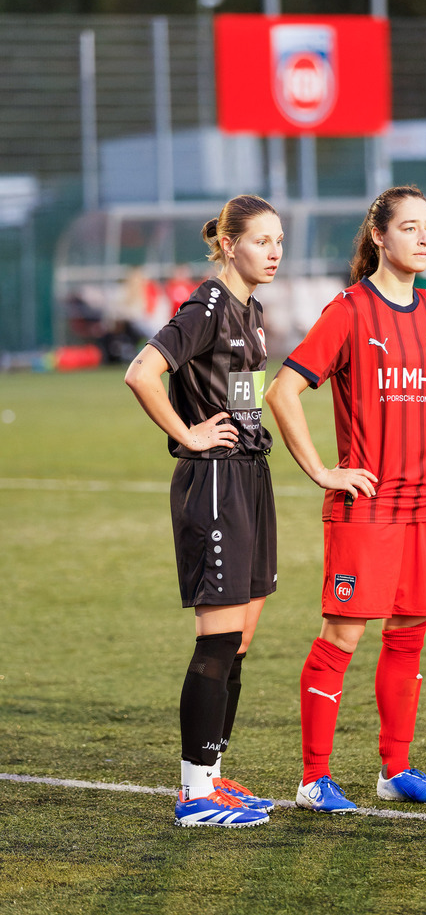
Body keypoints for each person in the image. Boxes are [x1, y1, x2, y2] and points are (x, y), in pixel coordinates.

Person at [265, 185, 426, 813]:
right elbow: (282, 391)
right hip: (369, 505)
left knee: (408, 631)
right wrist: (321, 471)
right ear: (379, 236)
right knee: (343, 633)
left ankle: (396, 768)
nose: (424, 237)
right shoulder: (349, 311)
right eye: (410, 227)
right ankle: (313, 779)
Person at [124, 195, 284, 828]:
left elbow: (242, 395)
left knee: (240, 639)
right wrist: (189, 434)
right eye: (261, 241)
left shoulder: (252, 310)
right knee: (217, 638)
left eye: (279, 240)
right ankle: (194, 793)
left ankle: (213, 775)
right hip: (214, 480)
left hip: (249, 476)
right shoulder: (209, 304)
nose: (273, 252)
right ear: (228, 244)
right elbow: (142, 372)